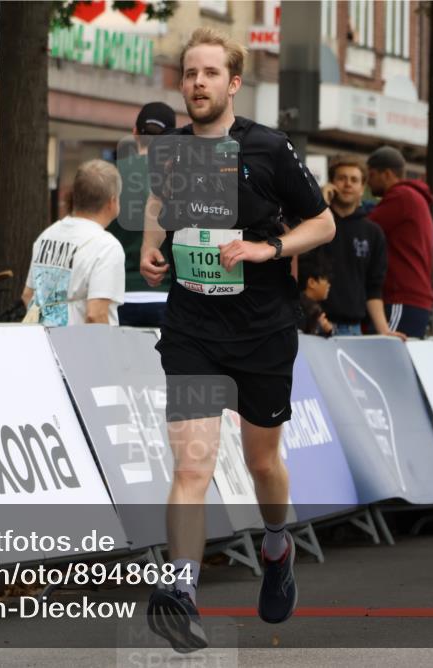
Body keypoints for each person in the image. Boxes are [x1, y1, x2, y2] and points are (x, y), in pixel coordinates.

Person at [139, 27, 334, 651]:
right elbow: (158, 202)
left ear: (233, 83)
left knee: (261, 464)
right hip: (193, 326)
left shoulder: (269, 149)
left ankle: (277, 548)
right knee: (192, 465)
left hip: (264, 328)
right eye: (189, 73)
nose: (196, 82)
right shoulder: (168, 149)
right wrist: (149, 245)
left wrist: (267, 247)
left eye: (209, 73)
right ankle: (182, 592)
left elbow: (324, 222)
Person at [21, 160, 125, 326]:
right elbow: (96, 314)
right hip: (79, 347)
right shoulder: (106, 246)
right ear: (112, 202)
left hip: (42, 342)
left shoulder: (46, 236)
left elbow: (28, 294)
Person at [316, 155, 402, 338]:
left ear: (362, 188)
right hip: (314, 326)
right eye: (341, 178)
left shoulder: (373, 233)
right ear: (331, 184)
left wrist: (385, 331)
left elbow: (374, 288)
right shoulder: (314, 226)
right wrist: (320, 203)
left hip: (352, 330)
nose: (347, 184)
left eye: (354, 180)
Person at [111, 102, 177, 327]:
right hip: (167, 294)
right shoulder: (182, 177)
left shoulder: (110, 175)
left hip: (118, 293)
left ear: (135, 133)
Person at [365, 146, 433, 338]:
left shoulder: (400, 196)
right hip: (415, 298)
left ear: (386, 174)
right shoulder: (415, 198)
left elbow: (366, 229)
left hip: (401, 297)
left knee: (385, 356)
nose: (367, 183)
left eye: (370, 175)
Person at [297, 247, 333, 337]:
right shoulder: (299, 310)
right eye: (325, 279)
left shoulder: (314, 309)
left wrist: (326, 331)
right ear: (312, 282)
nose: (329, 285)